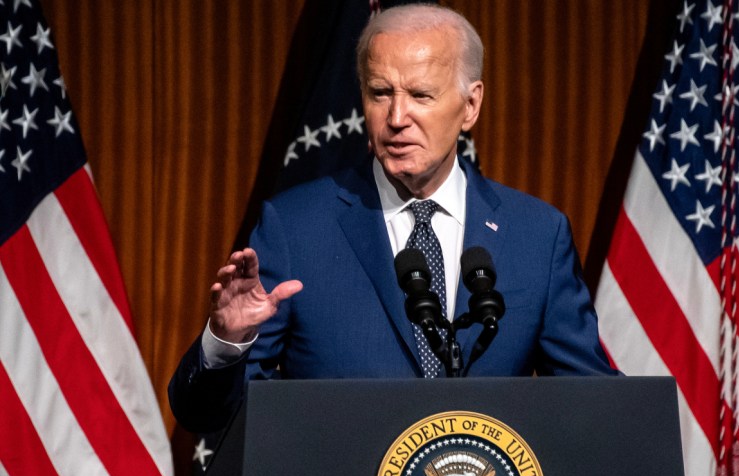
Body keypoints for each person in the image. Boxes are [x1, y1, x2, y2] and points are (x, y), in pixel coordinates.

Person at [168, 4, 619, 434]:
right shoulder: (296, 228)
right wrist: (227, 342)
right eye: (380, 93)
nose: (397, 118)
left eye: (421, 95)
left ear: (470, 106)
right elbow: (210, 417)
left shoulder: (536, 235)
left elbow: (593, 405)